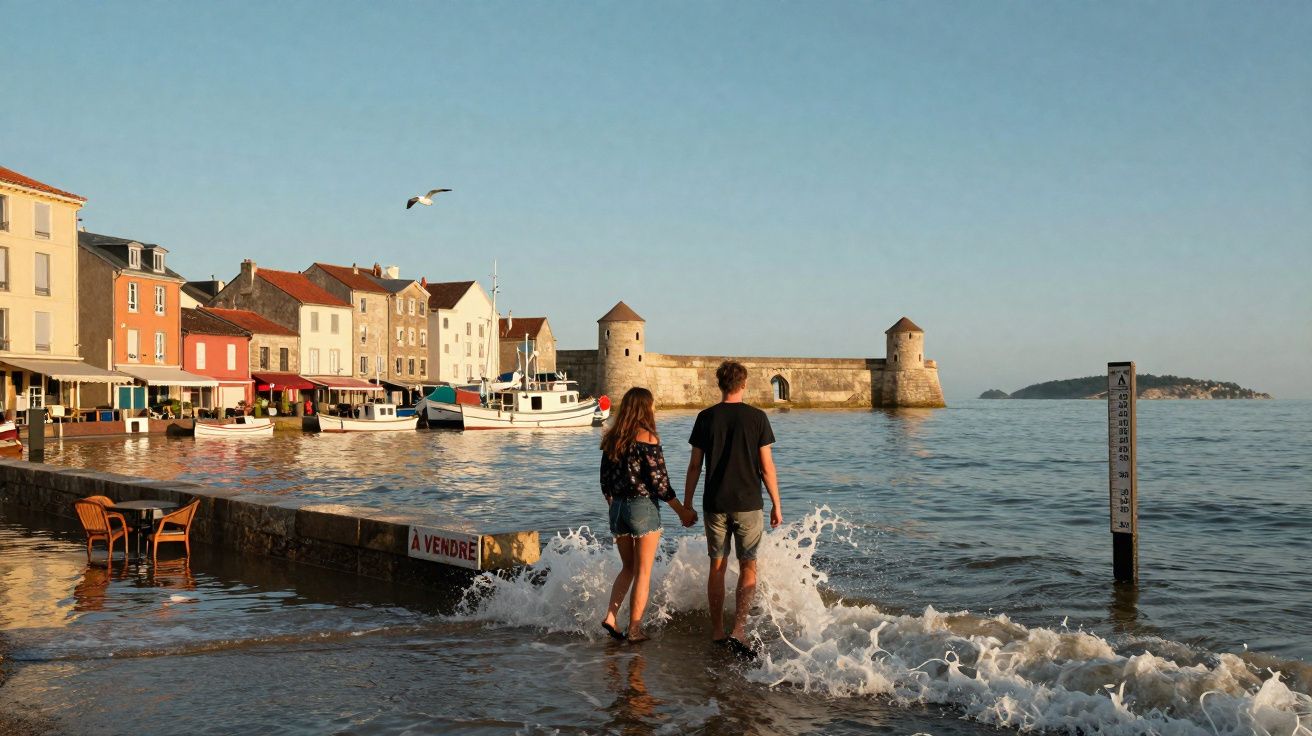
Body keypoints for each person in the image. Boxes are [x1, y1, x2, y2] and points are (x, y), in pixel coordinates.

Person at [684, 361, 781, 659]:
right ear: (744, 384)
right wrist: (777, 503)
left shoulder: (705, 418)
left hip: (715, 503)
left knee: (717, 566)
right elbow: (766, 468)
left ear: (720, 384)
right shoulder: (757, 418)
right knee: (749, 565)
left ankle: (717, 631)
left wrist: (686, 504)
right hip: (749, 503)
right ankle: (739, 629)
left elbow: (695, 465)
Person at [600, 387, 698, 644]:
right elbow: (660, 484)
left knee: (627, 568)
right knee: (643, 571)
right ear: (645, 408)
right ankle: (634, 629)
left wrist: (614, 505)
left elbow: (604, 482)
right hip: (642, 507)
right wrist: (682, 512)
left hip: (617, 509)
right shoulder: (649, 437)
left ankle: (611, 616)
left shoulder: (613, 439)